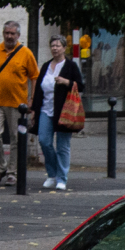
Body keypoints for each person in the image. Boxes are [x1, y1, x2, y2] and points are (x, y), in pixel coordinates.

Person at [0, 21, 40, 186]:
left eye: (12, 34)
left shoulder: (26, 53)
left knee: (16, 139)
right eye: (7, 33)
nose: (9, 36)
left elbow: (35, 77)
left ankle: (12, 172)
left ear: (18, 35)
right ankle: (0, 167)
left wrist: (32, 99)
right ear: (3, 34)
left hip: (18, 104)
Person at [29, 35, 85, 191]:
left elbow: (80, 85)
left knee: (62, 146)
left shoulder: (70, 66)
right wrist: (34, 109)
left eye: (58, 45)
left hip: (64, 111)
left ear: (64, 48)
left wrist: (66, 82)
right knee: (44, 141)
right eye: (52, 45)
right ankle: (52, 174)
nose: (54, 48)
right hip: (45, 109)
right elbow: (39, 89)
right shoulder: (46, 66)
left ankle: (62, 178)